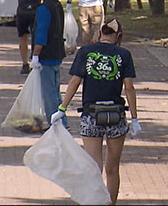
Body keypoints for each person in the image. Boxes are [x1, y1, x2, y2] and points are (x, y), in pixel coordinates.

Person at [50, 18, 140, 204]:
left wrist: (61, 108)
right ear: (118, 36)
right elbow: (129, 87)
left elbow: (75, 82)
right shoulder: (124, 54)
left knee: (93, 167)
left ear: (100, 34)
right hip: (116, 115)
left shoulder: (86, 52)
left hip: (91, 115)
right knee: (112, 169)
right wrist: (135, 118)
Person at [30, 0, 68, 128]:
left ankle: (56, 124)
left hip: (46, 56)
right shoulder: (57, 5)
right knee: (55, 91)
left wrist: (35, 55)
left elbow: (41, 33)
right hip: (57, 53)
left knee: (49, 93)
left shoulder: (44, 8)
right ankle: (62, 121)